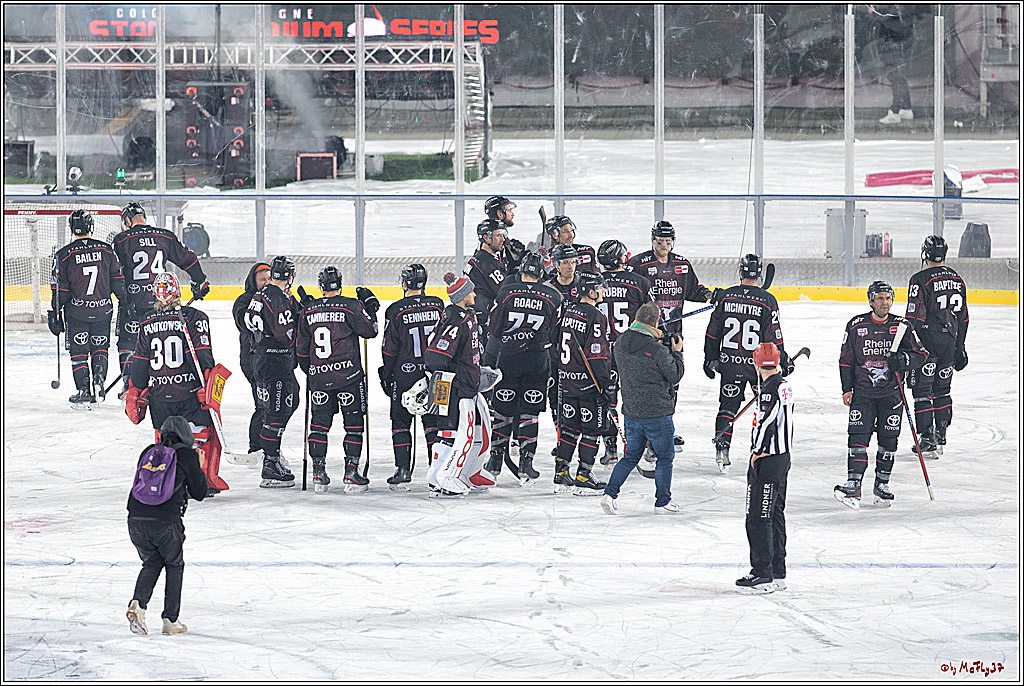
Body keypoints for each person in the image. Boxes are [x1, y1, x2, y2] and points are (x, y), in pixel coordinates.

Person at [124, 272, 229, 495]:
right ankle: (203, 481)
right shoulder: (194, 317)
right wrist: (207, 384)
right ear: (178, 292)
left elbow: (141, 364)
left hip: (160, 396)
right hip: (189, 392)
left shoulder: (146, 322)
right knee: (203, 436)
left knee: (164, 439)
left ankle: (167, 480)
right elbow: (202, 356)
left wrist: (135, 390)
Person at [835, 280, 928, 509]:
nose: (884, 302)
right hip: (863, 394)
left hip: (891, 395)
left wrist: (904, 360)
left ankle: (882, 484)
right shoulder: (856, 326)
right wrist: (847, 388)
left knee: (888, 440)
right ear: (871, 301)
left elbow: (921, 354)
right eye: (880, 298)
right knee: (857, 438)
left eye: (888, 298)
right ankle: (854, 483)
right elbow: (846, 360)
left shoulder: (902, 326)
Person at [626, 220, 714, 452]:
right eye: (659, 241)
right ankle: (645, 433)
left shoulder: (682, 265)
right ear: (652, 241)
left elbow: (694, 290)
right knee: (649, 383)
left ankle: (664, 429)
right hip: (648, 335)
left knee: (672, 383)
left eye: (667, 241)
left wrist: (710, 296)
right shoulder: (638, 264)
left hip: (673, 335)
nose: (663, 246)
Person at [111, 202, 210, 399]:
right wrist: (199, 281)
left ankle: (130, 384)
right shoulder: (164, 235)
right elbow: (188, 258)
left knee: (128, 341)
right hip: (161, 300)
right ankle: (162, 379)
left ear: (128, 220)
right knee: (161, 337)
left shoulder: (121, 240)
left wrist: (122, 296)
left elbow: (116, 273)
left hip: (133, 301)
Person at [296, 266, 379, 493]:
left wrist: (313, 372)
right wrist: (370, 307)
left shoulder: (309, 310)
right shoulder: (352, 306)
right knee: (353, 425)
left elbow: (301, 350)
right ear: (340, 284)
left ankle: (318, 474)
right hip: (349, 378)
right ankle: (351, 473)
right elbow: (371, 330)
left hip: (320, 380)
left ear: (320, 286)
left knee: (318, 426)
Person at [703, 254, 789, 473]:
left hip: (730, 363)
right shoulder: (767, 300)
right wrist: (783, 358)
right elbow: (774, 335)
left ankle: (722, 450)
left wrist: (710, 357)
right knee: (764, 406)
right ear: (759, 274)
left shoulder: (726, 297)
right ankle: (761, 448)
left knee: (727, 407)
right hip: (758, 365)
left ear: (740, 272)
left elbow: (713, 333)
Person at [483, 251, 562, 483]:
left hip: (508, 359)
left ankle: (496, 457)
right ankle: (527, 459)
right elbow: (555, 331)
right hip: (538, 360)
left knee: (503, 409)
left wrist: (489, 359)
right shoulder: (554, 296)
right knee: (530, 411)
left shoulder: (506, 292)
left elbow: (494, 328)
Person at [126, 415, 208, 636]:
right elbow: (200, 493)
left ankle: (138, 604)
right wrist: (197, 466)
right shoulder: (187, 455)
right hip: (165, 522)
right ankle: (170, 620)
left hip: (135, 519)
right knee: (174, 564)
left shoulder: (148, 452)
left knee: (152, 562)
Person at [602, 302, 684, 514]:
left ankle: (610, 494)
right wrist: (677, 352)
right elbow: (675, 375)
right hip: (657, 413)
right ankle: (662, 502)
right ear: (656, 322)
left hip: (631, 411)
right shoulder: (656, 349)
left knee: (630, 457)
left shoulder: (620, 342)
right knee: (665, 458)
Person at [48, 209, 125, 408]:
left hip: (77, 313)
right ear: (91, 227)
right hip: (103, 311)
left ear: (72, 228)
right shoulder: (107, 250)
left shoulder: (63, 255)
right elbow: (118, 282)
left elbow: (60, 290)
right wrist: (127, 303)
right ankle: (99, 383)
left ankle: (83, 390)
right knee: (100, 347)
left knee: (79, 351)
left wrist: (56, 312)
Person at [379, 264, 445, 490]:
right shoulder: (438, 306)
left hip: (405, 373)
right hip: (434, 372)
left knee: (400, 422)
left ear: (405, 283)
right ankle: (436, 472)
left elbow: (389, 349)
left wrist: (386, 374)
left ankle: (403, 470)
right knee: (433, 423)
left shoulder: (395, 310)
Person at [735, 342, 794, 594]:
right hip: (782, 458)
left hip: (767, 460)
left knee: (758, 517)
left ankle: (762, 574)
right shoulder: (784, 386)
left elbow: (766, 422)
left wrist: (757, 451)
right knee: (775, 513)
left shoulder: (770, 390)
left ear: (756, 363)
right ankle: (777, 571)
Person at [905, 235, 969, 458]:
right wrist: (960, 347)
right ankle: (941, 433)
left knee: (923, 390)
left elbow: (915, 317)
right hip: (950, 341)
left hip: (927, 341)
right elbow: (964, 318)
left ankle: (926, 437)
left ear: (925, 254)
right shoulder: (957, 279)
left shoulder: (919, 279)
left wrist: (906, 346)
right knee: (942, 389)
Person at [423, 272, 487, 497]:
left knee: (447, 431)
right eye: (470, 291)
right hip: (456, 389)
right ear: (461, 296)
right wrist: (457, 376)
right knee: (462, 434)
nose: (474, 293)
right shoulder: (456, 320)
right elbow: (436, 356)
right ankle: (447, 477)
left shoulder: (465, 315)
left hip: (452, 385)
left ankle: (435, 475)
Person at [554, 270, 613, 495]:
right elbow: (597, 354)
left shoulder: (569, 311)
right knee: (591, 430)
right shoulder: (596, 316)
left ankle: (561, 472)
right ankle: (584, 474)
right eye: (600, 287)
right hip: (589, 385)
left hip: (567, 382)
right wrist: (605, 383)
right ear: (590, 291)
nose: (603, 291)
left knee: (569, 429)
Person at [245, 256, 301, 488]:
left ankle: (271, 453)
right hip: (274, 361)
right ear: (289, 276)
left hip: (261, 358)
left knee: (288, 401)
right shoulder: (277, 297)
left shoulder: (261, 294)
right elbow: (286, 334)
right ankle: (270, 463)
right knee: (277, 411)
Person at [596, 238, 651, 463]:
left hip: (602, 354)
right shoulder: (639, 282)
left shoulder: (594, 282)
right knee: (638, 399)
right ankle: (646, 446)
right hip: (631, 352)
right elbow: (653, 317)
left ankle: (610, 448)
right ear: (621, 258)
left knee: (608, 400)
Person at [232, 262, 271, 458]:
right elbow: (243, 321)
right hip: (252, 361)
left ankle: (268, 444)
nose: (266, 283)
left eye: (269, 279)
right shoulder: (244, 300)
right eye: (262, 279)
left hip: (271, 360)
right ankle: (257, 447)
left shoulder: (276, 298)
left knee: (277, 404)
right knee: (263, 404)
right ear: (253, 281)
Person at [464, 219, 508, 340]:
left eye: (503, 235)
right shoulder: (486, 264)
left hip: (482, 319)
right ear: (486, 238)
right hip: (485, 323)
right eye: (498, 235)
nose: (503, 239)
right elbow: (506, 292)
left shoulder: (485, 257)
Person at [871, 4, 915, 125]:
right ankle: (905, 109)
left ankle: (895, 112)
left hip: (893, 42)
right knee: (897, 75)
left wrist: (875, 12)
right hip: (897, 40)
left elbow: (892, 19)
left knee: (896, 76)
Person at [484, 195, 526, 272]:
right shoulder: (493, 244)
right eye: (509, 210)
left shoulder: (493, 238)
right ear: (500, 214)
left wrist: (519, 258)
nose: (513, 214)